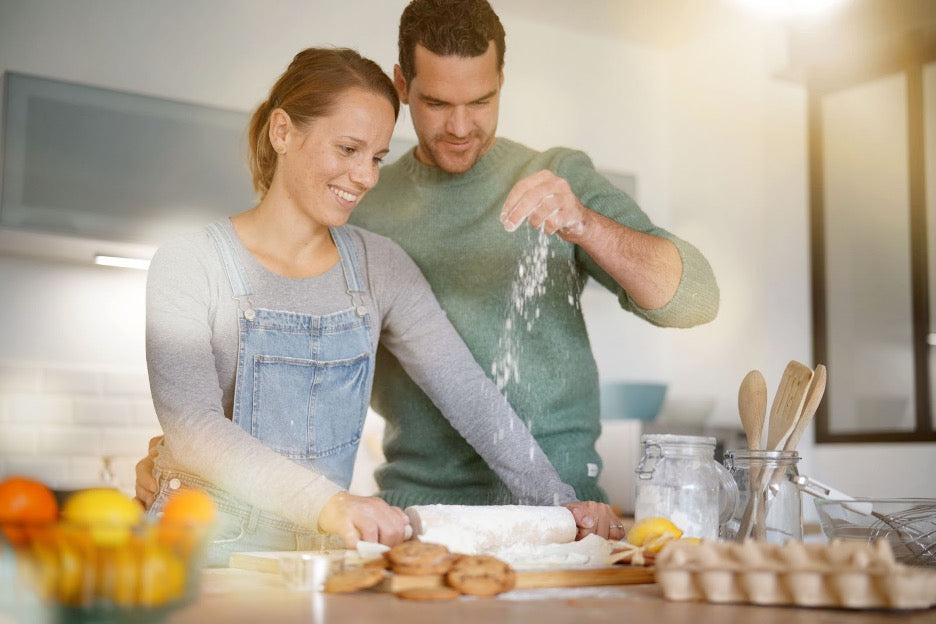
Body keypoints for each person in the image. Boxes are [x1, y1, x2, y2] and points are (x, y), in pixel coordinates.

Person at [144, 46, 610, 567]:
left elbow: (469, 394)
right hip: (194, 553)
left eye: (377, 157)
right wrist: (329, 504)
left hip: (314, 560)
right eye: (347, 149)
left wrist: (560, 502)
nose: (365, 177)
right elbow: (191, 428)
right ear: (282, 132)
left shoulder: (379, 267)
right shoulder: (190, 262)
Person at [344, 0, 719, 522]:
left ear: (502, 79)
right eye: (435, 102)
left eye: (481, 100)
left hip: (566, 512)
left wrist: (584, 223)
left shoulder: (558, 178)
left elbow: (696, 301)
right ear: (402, 85)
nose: (459, 126)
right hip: (418, 513)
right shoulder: (363, 204)